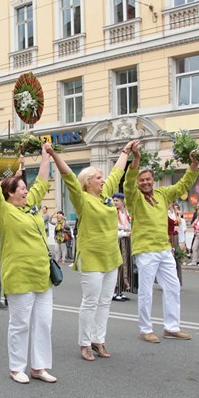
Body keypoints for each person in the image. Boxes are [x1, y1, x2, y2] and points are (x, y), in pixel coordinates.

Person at [0, 143, 58, 383]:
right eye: (22, 188)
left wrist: (45, 156)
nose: (26, 190)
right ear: (10, 192)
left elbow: (42, 181)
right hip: (19, 275)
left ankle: (39, 367)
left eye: (25, 188)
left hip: (42, 274)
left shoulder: (30, 207)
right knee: (20, 324)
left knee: (43, 323)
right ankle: (16, 368)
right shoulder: (2, 211)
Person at [48, 140, 135, 361]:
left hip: (111, 256)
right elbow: (67, 176)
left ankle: (99, 340)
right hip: (91, 256)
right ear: (87, 182)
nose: (103, 179)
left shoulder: (106, 196)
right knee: (91, 301)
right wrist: (53, 154)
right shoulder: (82, 199)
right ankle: (85, 343)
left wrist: (126, 151)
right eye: (98, 177)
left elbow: (117, 171)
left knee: (105, 302)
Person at [125, 141, 199, 343]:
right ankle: (145, 328)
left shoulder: (162, 194)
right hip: (145, 250)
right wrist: (136, 158)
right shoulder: (134, 198)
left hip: (165, 249)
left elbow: (183, 185)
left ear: (153, 180)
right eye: (142, 180)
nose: (146, 183)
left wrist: (193, 165)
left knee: (173, 287)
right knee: (146, 292)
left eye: (148, 179)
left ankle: (171, 327)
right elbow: (128, 182)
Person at [113, 193, 135, 301]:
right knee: (119, 265)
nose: (115, 203)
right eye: (114, 200)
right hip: (118, 240)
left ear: (122, 202)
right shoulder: (113, 213)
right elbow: (112, 228)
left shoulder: (126, 212)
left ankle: (121, 290)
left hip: (126, 240)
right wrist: (123, 234)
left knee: (126, 265)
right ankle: (115, 290)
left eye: (117, 200)